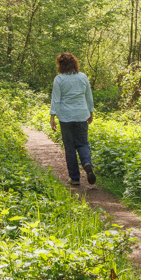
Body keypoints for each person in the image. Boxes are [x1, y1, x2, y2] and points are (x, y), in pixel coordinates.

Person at [49, 52, 96, 187]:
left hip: (65, 117)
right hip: (81, 114)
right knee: (83, 143)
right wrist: (90, 112)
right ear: (75, 63)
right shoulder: (83, 77)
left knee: (70, 147)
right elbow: (88, 96)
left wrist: (52, 117)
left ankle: (75, 178)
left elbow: (56, 99)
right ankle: (87, 163)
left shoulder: (59, 79)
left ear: (60, 65)